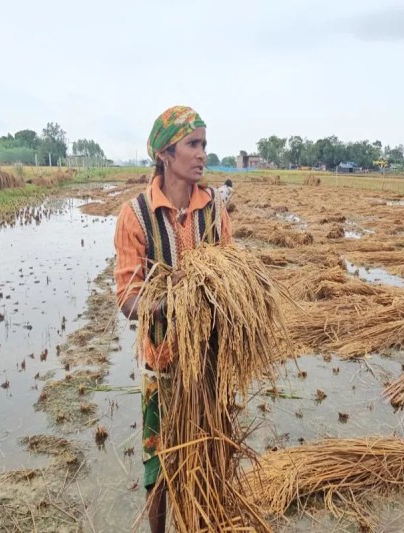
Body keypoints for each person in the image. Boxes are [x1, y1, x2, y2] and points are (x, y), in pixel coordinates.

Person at [113, 105, 233, 533]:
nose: (202, 154)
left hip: (209, 361)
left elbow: (231, 273)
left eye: (204, 144)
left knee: (211, 452)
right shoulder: (137, 214)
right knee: (160, 461)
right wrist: (179, 298)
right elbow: (128, 298)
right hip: (162, 361)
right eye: (193, 144)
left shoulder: (214, 208)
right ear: (166, 153)